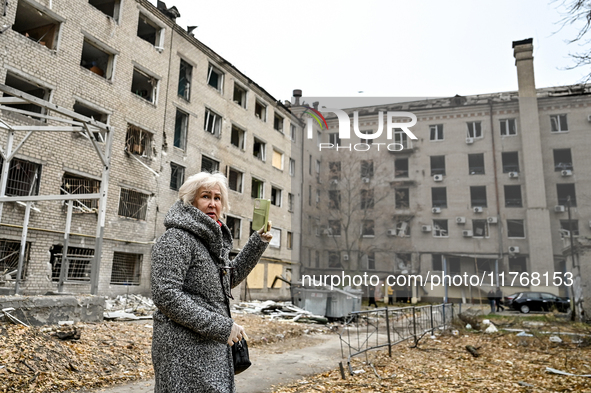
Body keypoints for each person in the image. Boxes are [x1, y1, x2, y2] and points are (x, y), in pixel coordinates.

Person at [151, 172, 272, 392]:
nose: (213, 203)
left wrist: (258, 241)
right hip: (183, 352)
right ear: (190, 201)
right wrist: (222, 326)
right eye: (206, 196)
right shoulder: (177, 238)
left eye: (217, 198)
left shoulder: (209, 239)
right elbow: (165, 294)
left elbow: (227, 279)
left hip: (209, 347)